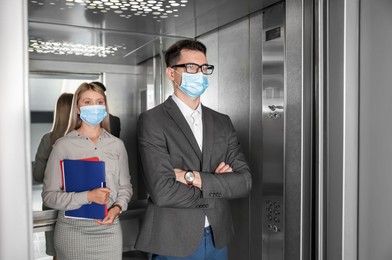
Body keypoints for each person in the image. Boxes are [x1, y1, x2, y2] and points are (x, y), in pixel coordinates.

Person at [135, 39, 252, 259]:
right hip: (174, 239)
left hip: (218, 236)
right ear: (171, 74)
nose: (199, 73)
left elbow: (244, 182)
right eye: (190, 67)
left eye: (204, 67)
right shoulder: (153, 120)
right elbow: (162, 192)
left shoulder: (222, 122)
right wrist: (218, 186)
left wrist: (191, 177)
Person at [42, 82, 133, 260]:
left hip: (109, 230)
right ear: (77, 108)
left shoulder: (116, 145)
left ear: (105, 107)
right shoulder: (63, 145)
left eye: (99, 102)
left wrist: (117, 209)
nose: (94, 107)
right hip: (72, 231)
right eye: (87, 102)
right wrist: (88, 197)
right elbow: (49, 196)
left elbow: (125, 187)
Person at [33, 92, 73, 259]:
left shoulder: (47, 140)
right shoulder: (86, 140)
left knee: (58, 253)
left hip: (52, 203)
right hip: (79, 202)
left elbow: (37, 175)